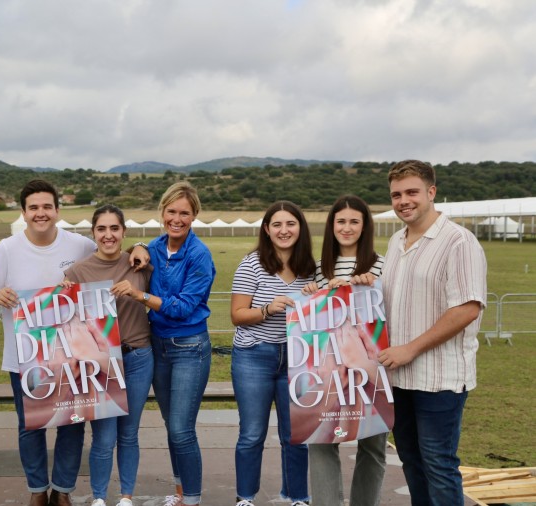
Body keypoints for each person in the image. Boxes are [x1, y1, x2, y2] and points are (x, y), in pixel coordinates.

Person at [0, 179, 96, 506]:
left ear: (58, 210)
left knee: (72, 424)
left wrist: (139, 248)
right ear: (24, 212)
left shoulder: (81, 246)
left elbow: (112, 256)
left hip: (71, 354)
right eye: (34, 208)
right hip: (24, 357)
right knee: (31, 426)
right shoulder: (7, 248)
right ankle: (37, 490)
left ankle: (62, 489)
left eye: (47, 207)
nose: (40, 213)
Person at [377, 160, 486, 505]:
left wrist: (411, 348)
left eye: (412, 192)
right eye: (396, 194)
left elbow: (468, 307)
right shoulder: (396, 241)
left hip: (439, 378)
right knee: (411, 461)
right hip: (398, 378)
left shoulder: (459, 242)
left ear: (431, 192)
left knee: (439, 463)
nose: (404, 200)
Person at [64, 205, 154, 506]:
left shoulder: (140, 264)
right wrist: (61, 295)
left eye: (114, 229)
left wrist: (139, 255)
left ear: (123, 232)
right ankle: (99, 497)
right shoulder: (77, 271)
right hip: (98, 363)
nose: (108, 235)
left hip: (138, 357)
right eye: (101, 229)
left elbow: (157, 298)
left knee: (129, 433)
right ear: (94, 233)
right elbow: (66, 321)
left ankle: (126, 496)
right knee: (103, 437)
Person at [301, 195, 388, 506]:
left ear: (365, 226)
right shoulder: (318, 268)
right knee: (322, 438)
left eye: (354, 221)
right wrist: (313, 291)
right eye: (341, 221)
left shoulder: (381, 264)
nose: (347, 228)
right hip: (327, 366)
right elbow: (308, 319)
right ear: (331, 225)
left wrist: (369, 285)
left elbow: (384, 317)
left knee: (374, 442)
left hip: (367, 362)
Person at [230, 200, 315, 506]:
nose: (284, 230)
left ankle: (298, 497)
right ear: (266, 230)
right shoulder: (252, 264)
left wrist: (316, 295)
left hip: (297, 358)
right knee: (252, 433)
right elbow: (237, 315)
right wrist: (267, 308)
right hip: (255, 356)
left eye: (290, 224)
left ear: (300, 228)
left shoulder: (312, 269)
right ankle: (245, 497)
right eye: (276, 225)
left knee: (295, 434)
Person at [137, 181, 216, 506]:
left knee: (182, 428)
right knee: (172, 426)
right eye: (172, 211)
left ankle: (193, 499)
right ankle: (181, 492)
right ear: (163, 212)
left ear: (194, 215)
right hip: (159, 346)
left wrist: (142, 296)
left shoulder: (199, 254)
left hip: (189, 348)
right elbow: (136, 253)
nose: (177, 218)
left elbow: (182, 307)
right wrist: (138, 245)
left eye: (184, 213)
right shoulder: (155, 247)